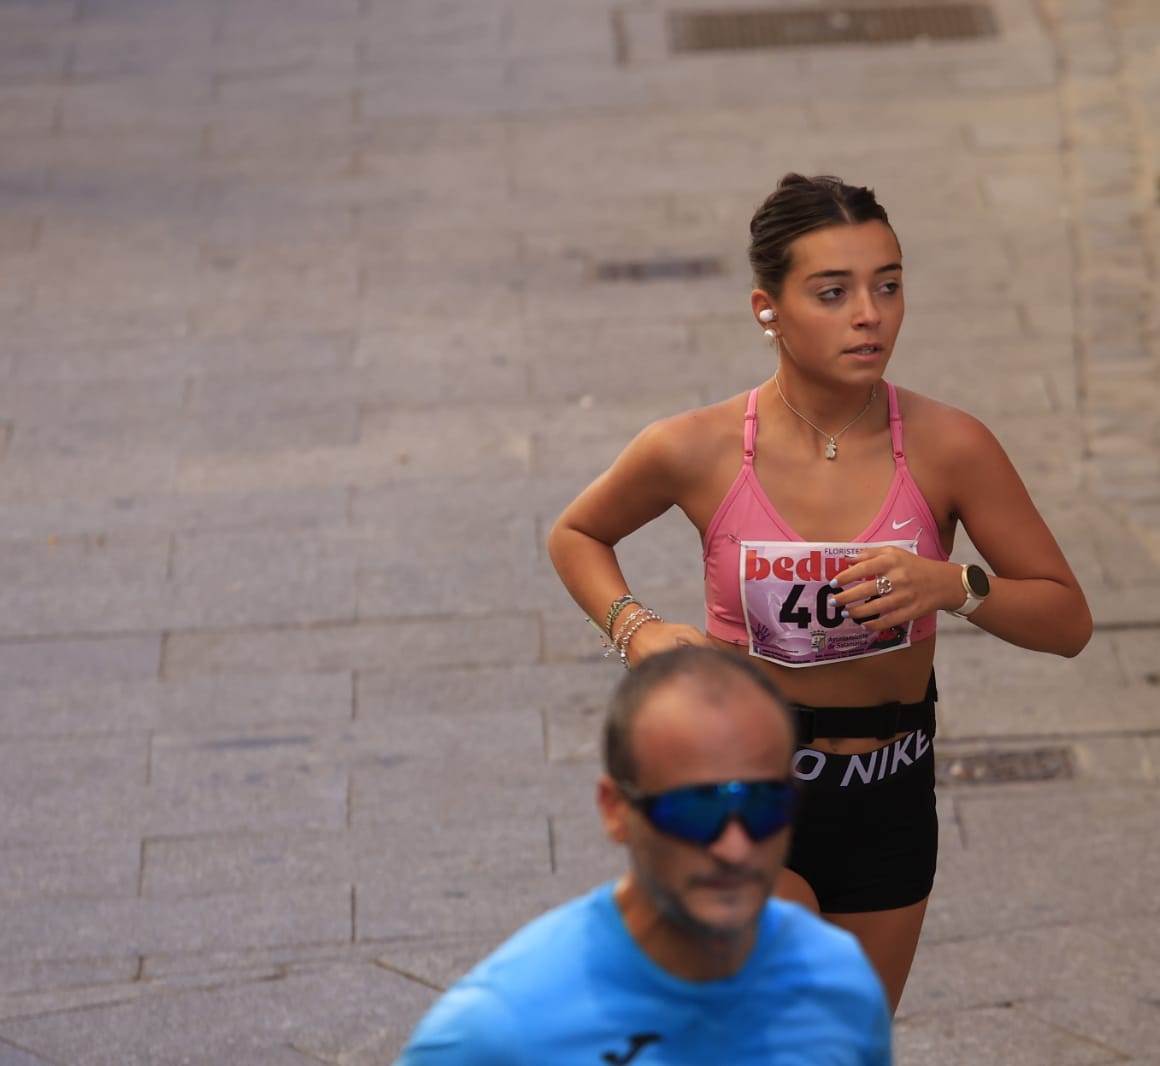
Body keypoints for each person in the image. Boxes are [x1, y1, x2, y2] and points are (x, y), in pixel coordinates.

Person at [547, 173, 1093, 1010]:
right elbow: (578, 533)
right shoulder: (697, 448)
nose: (869, 314)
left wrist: (953, 585)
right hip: (745, 785)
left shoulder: (950, 447)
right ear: (767, 308)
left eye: (888, 286)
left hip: (890, 787)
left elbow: (1066, 620)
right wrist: (636, 630)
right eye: (833, 293)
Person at [394, 647, 892, 1065]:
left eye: (765, 804)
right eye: (694, 810)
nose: (734, 847)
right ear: (615, 810)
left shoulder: (840, 983)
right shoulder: (497, 1030)